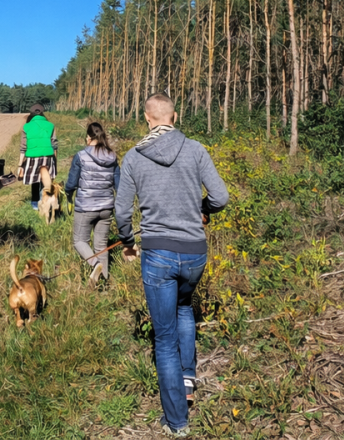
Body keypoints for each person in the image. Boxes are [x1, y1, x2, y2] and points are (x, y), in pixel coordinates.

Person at [115, 93, 229, 437]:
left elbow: (122, 211)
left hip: (158, 255)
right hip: (194, 253)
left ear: (147, 118)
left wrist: (128, 242)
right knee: (184, 308)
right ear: (174, 116)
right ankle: (188, 378)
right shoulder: (195, 149)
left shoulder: (134, 156)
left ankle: (177, 422)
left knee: (164, 339)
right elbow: (221, 197)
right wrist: (203, 210)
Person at [64, 120, 118, 285]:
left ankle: (95, 264)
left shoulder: (81, 156)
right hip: (107, 207)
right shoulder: (112, 156)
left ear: (88, 138)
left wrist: (68, 194)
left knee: (80, 241)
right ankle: (104, 284)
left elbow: (71, 183)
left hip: (86, 207)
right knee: (101, 246)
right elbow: (119, 185)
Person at [19, 104, 58, 211]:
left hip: (32, 157)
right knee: (45, 180)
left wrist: (20, 165)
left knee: (35, 180)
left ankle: (35, 203)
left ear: (31, 114)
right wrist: (55, 162)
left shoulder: (26, 126)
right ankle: (44, 200)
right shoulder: (50, 125)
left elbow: (23, 147)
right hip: (48, 156)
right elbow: (54, 145)